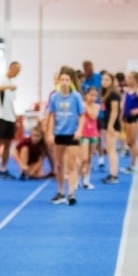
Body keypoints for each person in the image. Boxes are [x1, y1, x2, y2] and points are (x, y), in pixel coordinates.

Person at [47, 71, 85, 205]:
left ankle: (71, 193)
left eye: (67, 80)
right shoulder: (54, 97)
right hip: (59, 133)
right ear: (58, 82)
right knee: (59, 164)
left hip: (72, 133)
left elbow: (82, 115)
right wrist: (50, 133)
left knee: (72, 164)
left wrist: (80, 129)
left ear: (71, 82)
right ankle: (60, 191)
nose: (64, 82)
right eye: (61, 80)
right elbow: (51, 115)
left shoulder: (76, 97)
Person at [0, 61, 21, 178]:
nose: (17, 73)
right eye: (17, 70)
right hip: (0, 116)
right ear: (11, 68)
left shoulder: (11, 82)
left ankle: (3, 168)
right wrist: (8, 87)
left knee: (8, 144)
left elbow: (11, 103)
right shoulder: (1, 79)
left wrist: (15, 118)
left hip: (10, 118)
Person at [100, 71, 121, 184]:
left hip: (112, 125)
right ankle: (112, 173)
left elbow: (115, 111)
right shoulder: (105, 93)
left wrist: (110, 125)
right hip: (107, 124)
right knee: (109, 149)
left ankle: (114, 175)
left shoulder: (114, 94)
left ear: (112, 81)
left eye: (107, 80)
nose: (104, 82)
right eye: (103, 79)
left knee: (111, 149)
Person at [79, 87, 100, 190]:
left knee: (90, 158)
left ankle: (86, 181)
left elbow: (93, 116)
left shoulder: (96, 106)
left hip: (93, 134)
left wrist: (86, 106)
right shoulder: (80, 105)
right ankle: (77, 179)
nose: (93, 97)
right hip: (83, 134)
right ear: (86, 95)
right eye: (91, 95)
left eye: (95, 95)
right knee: (83, 158)